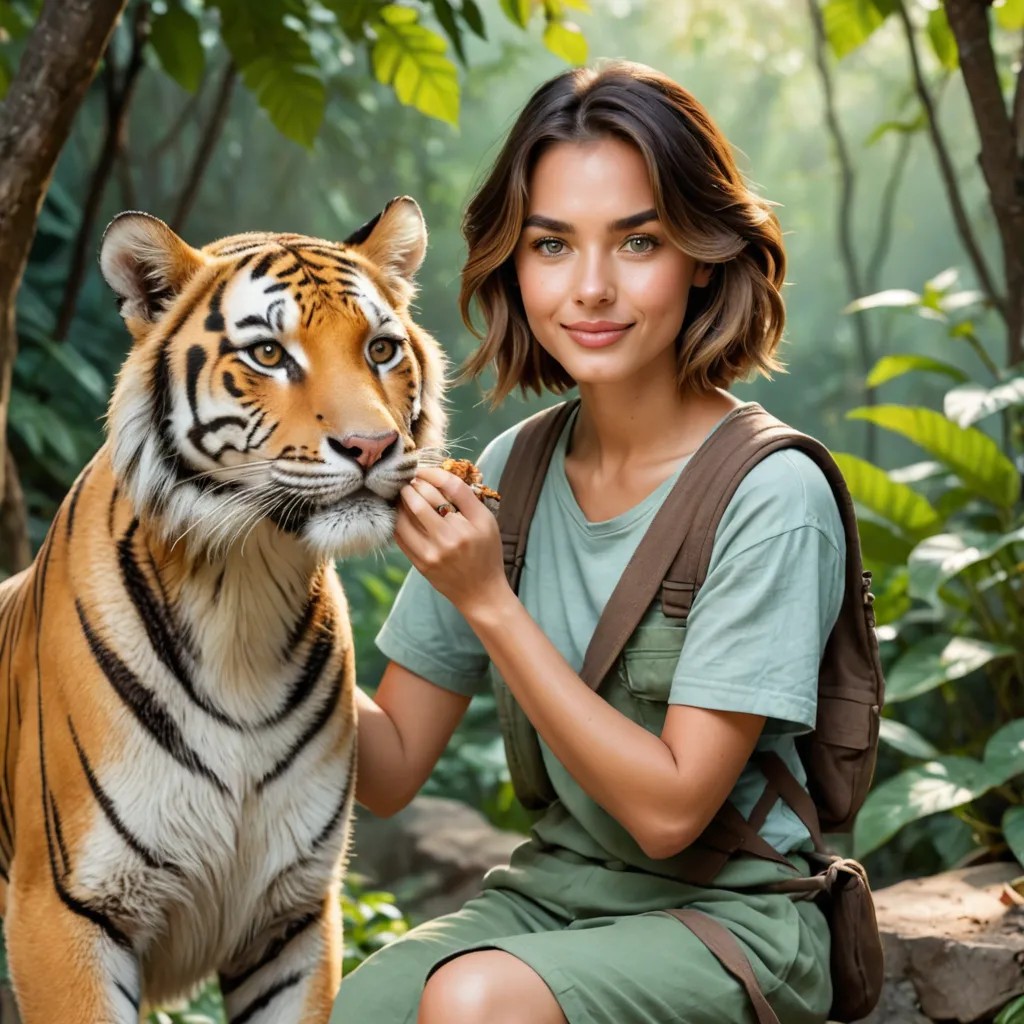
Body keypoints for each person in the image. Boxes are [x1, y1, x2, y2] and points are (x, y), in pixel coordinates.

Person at [330, 59, 843, 1024]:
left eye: (638, 240)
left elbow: (668, 812)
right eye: (553, 245)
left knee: (473, 1001)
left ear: (702, 253)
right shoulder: (518, 470)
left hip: (735, 921)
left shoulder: (771, 493)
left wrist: (488, 599)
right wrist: (269, 586)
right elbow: (391, 766)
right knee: (353, 1011)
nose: (592, 288)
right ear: (512, 265)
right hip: (555, 898)